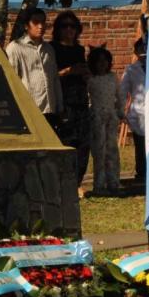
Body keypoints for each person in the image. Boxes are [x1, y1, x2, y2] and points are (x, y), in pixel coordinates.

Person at [6, 8, 63, 131]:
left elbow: (54, 79)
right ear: (26, 25)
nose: (41, 26)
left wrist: (59, 106)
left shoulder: (49, 49)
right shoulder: (15, 48)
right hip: (29, 110)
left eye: (43, 22)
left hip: (50, 109)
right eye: (36, 22)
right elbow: (12, 81)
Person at [51, 11, 91, 185]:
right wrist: (68, 71)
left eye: (72, 26)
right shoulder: (52, 48)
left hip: (81, 99)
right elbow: (49, 77)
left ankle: (77, 182)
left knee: (83, 143)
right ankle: (65, 182)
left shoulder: (79, 49)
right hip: (62, 100)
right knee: (66, 141)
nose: (69, 30)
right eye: (64, 26)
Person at [87, 46, 124, 193]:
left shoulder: (112, 77)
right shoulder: (91, 79)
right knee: (99, 150)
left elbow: (119, 95)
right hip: (97, 116)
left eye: (105, 60)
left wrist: (120, 111)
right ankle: (99, 184)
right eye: (99, 61)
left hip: (111, 116)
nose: (102, 63)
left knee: (112, 149)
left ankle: (114, 182)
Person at [120, 38, 147, 180]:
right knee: (140, 144)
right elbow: (123, 91)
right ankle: (141, 171)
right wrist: (120, 111)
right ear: (136, 52)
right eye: (141, 50)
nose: (144, 53)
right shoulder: (130, 69)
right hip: (138, 112)